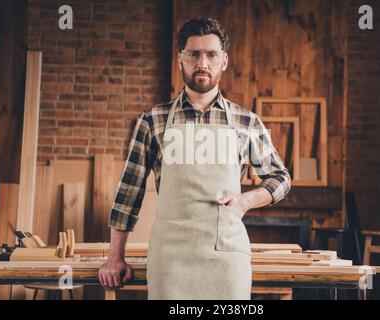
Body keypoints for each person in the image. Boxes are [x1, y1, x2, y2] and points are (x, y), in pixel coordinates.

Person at [99, 17, 291, 300]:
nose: (203, 63)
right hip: (171, 258)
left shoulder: (245, 122)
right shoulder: (152, 120)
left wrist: (245, 201)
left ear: (224, 61)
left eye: (211, 55)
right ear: (181, 59)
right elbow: (129, 193)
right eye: (194, 54)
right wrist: (115, 257)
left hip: (226, 256)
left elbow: (281, 179)